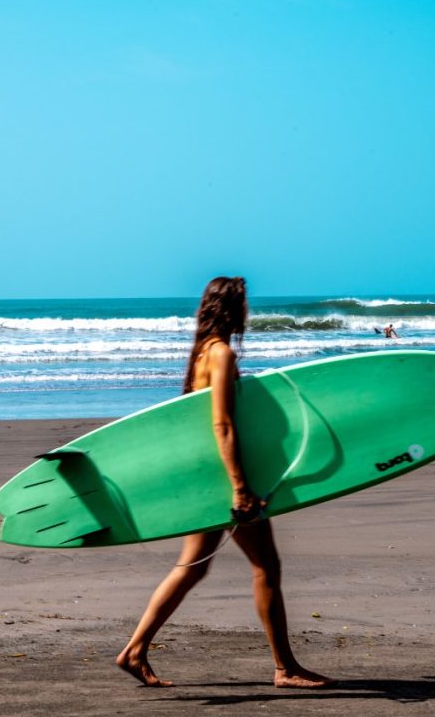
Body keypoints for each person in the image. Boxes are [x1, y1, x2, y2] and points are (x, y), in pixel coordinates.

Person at [115, 276, 332, 689]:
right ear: (234, 309)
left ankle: (135, 650)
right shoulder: (222, 354)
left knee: (191, 568)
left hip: (206, 478)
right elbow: (222, 425)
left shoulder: (201, 352)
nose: (248, 311)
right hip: (224, 481)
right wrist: (239, 487)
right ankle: (284, 668)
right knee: (265, 567)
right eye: (244, 304)